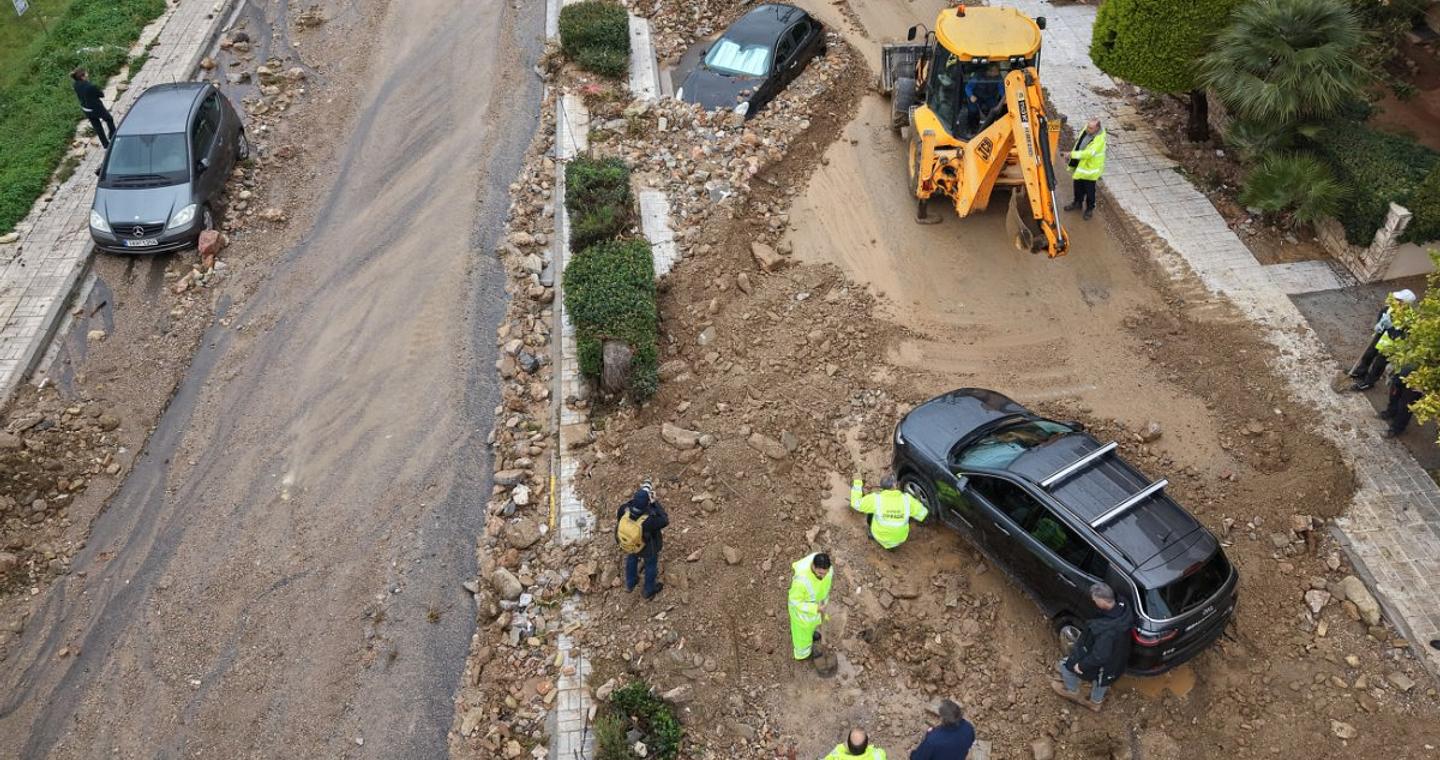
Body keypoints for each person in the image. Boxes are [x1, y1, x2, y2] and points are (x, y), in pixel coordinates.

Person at [1051, 582, 1132, 711]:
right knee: (1103, 682)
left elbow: (1100, 656)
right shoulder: (1123, 606)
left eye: (1095, 600)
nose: (1093, 602)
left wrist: (1081, 665)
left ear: (1104, 601)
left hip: (1104, 664)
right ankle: (1096, 700)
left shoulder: (1107, 632)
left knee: (1068, 668)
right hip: (1117, 660)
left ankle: (1073, 692)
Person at [1350, 289, 1416, 391]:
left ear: (1405, 303)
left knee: (1379, 364)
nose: (1395, 301)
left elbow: (1400, 337)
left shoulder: (1409, 319)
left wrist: (1390, 328)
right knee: (1369, 354)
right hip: (1381, 335)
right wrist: (1380, 323)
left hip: (1392, 344)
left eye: (1399, 300)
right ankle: (1361, 371)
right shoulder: (1390, 308)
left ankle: (1369, 382)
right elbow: (1382, 312)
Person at [614, 480, 668, 599]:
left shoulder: (624, 509)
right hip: (647, 548)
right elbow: (664, 520)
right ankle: (649, 589)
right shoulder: (649, 519)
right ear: (647, 502)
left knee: (632, 558)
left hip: (630, 544)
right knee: (650, 565)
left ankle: (631, 582)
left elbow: (619, 518)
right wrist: (655, 503)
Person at [851, 474, 928, 549]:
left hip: (880, 537)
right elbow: (923, 513)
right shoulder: (907, 500)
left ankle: (871, 533)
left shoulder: (876, 499)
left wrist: (857, 483)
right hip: (900, 539)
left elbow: (856, 504)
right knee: (908, 512)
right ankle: (893, 545)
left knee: (871, 509)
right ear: (894, 485)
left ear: (882, 487)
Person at [788, 551, 833, 660]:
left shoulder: (828, 570)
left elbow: (824, 587)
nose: (823, 576)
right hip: (802, 614)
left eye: (825, 573)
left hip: (817, 607)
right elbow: (795, 601)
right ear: (813, 566)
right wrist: (815, 608)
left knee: (814, 624)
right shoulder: (801, 582)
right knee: (803, 637)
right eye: (820, 573)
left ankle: (812, 634)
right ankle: (804, 654)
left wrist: (822, 605)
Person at [1064, 119, 1107, 221]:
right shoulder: (1087, 130)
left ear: (1097, 128)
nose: (1088, 129)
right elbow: (1079, 143)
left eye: (1091, 128)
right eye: (1087, 126)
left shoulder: (1099, 140)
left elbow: (1089, 154)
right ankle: (1077, 203)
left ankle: (1089, 209)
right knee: (1078, 186)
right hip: (1081, 165)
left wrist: (1071, 154)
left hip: (1090, 169)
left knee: (1089, 190)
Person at [909, 699, 975, 759]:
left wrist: (928, 736)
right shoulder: (969, 728)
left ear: (943, 719)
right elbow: (970, 743)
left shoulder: (933, 740)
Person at [71, 68, 116, 149]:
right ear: (82, 77)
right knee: (109, 119)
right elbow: (101, 95)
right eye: (86, 74)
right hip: (96, 108)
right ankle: (112, 135)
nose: (87, 75)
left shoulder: (75, 85)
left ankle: (106, 144)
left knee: (98, 127)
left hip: (86, 109)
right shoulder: (90, 86)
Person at [1380, 364, 1421, 439]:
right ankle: (1391, 411)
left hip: (1420, 376)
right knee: (1394, 391)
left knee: (1407, 403)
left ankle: (1397, 428)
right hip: (1404, 366)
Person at [963, 64, 1004, 134]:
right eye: (996, 71)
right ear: (990, 71)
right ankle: (973, 128)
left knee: (996, 108)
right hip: (976, 97)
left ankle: (993, 126)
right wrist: (971, 96)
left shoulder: (998, 77)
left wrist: (1004, 97)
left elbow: (1001, 89)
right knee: (973, 110)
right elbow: (968, 87)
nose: (998, 73)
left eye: (998, 71)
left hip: (989, 97)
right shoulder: (978, 76)